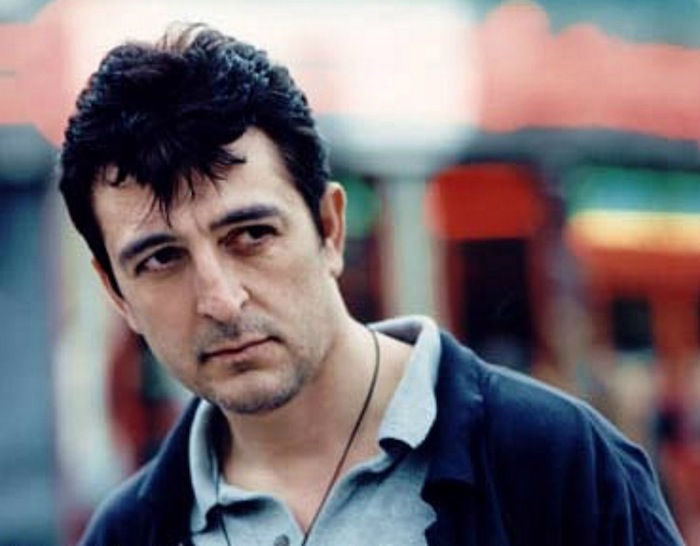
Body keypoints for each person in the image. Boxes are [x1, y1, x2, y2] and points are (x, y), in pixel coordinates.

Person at [58, 23, 683, 546]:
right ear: (117, 294)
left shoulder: (556, 463)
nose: (221, 299)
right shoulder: (126, 533)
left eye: (250, 235)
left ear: (329, 229)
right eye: (161, 259)